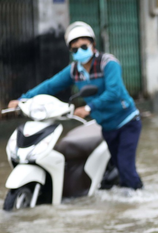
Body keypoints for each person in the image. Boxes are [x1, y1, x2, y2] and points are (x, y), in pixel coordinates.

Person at [7, 21, 143, 190]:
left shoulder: (108, 64)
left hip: (127, 122)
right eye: (75, 49)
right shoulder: (74, 70)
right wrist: (23, 99)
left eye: (84, 46)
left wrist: (88, 108)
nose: (80, 51)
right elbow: (50, 85)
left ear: (93, 45)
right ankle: (125, 194)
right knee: (120, 167)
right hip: (107, 126)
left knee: (126, 167)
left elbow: (114, 92)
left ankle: (138, 197)